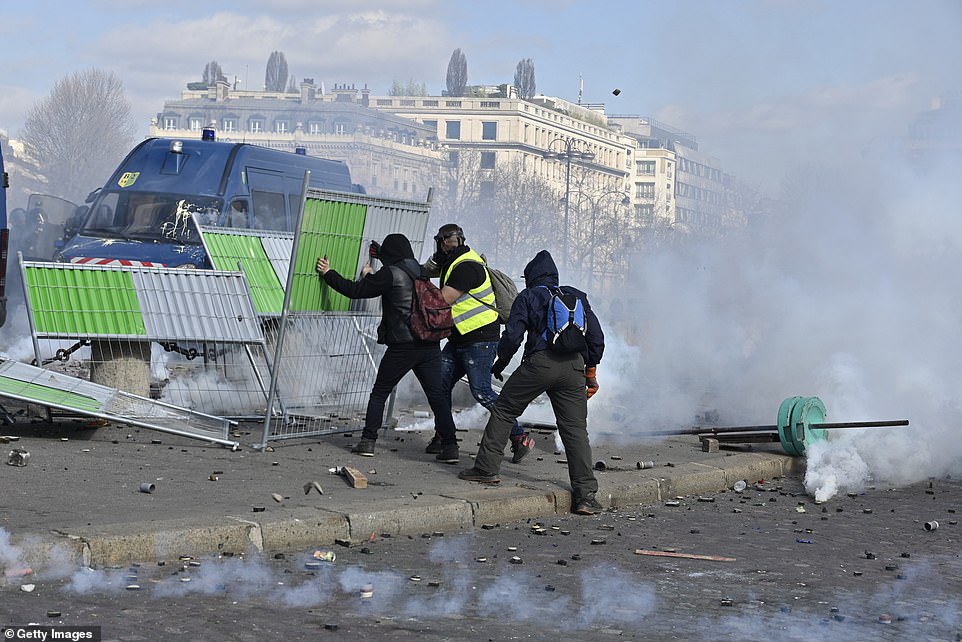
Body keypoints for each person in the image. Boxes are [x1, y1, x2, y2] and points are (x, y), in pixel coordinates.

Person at [458, 249, 605, 515]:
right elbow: (596, 338)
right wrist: (590, 374)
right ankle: (586, 496)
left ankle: (486, 469)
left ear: (530, 278)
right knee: (574, 429)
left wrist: (499, 364)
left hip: (540, 363)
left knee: (504, 410)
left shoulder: (528, 296)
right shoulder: (577, 296)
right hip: (573, 367)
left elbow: (513, 337)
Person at [315, 233, 460, 463]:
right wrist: (374, 266)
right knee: (438, 398)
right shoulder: (421, 272)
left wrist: (328, 274)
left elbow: (356, 291)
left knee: (380, 392)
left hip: (403, 346)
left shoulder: (390, 274)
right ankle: (450, 447)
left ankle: (367, 441)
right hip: (430, 344)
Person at [422, 224, 534, 463]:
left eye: (447, 242)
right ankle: (444, 437)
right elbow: (425, 271)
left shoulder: (467, 266)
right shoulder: (453, 261)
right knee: (438, 386)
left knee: (481, 391)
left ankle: (519, 437)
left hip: (480, 339)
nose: (447, 245)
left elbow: (443, 299)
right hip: (461, 337)